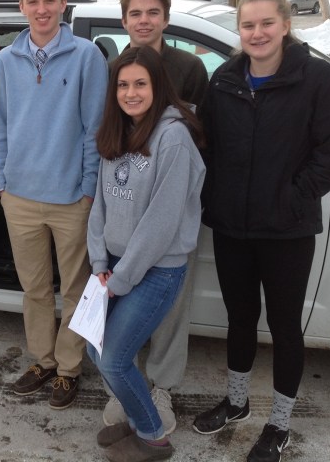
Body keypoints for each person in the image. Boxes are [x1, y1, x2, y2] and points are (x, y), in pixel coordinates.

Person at [193, 0, 330, 462]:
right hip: (232, 229)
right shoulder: (223, 78)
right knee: (238, 318)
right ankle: (237, 402)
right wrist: (213, 200)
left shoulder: (316, 78)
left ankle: (278, 423)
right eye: (248, 25)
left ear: (285, 24)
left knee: (285, 326)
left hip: (287, 231)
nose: (257, 33)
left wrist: (291, 199)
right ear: (238, 31)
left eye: (266, 23)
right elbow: (207, 149)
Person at [0, 0, 108, 409]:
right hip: (19, 197)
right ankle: (41, 361)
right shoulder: (7, 60)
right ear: (22, 6)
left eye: (50, 0)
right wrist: (2, 179)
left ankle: (68, 368)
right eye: (32, 1)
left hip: (70, 200)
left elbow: (93, 129)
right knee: (35, 289)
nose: (42, 9)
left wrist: (87, 189)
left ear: (64, 3)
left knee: (75, 290)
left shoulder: (85, 57)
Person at [101, 0, 209, 434]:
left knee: (166, 310)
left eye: (152, 12)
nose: (143, 21)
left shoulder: (190, 68)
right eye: (135, 13)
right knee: (121, 315)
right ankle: (123, 385)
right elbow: (108, 137)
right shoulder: (114, 68)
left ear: (165, 17)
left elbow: (198, 143)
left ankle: (161, 385)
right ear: (123, 19)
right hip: (125, 210)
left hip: (167, 214)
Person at [88, 45, 206, 462]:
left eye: (141, 84)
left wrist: (119, 281)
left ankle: (153, 436)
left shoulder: (173, 138)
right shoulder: (118, 130)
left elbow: (161, 222)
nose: (131, 93)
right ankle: (138, 417)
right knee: (97, 350)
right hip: (116, 267)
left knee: (116, 358)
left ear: (159, 87)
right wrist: (101, 265)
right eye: (123, 84)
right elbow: (100, 204)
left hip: (156, 269)